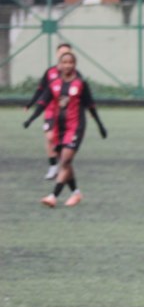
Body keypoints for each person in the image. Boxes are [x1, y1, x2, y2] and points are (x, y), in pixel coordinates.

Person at [23, 50, 107, 207]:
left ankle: (53, 196)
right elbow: (43, 103)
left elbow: (91, 106)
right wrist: (31, 119)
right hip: (59, 127)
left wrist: (100, 125)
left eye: (71, 62)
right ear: (59, 65)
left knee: (66, 160)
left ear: (75, 65)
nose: (67, 65)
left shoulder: (81, 84)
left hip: (75, 127)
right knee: (65, 162)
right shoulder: (54, 84)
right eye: (65, 62)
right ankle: (76, 193)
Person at [26, 42, 76, 180]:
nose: (63, 54)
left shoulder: (75, 75)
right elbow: (41, 89)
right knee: (49, 137)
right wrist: (31, 103)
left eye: (66, 52)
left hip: (68, 114)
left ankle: (63, 166)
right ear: (57, 54)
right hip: (51, 110)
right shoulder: (50, 72)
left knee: (63, 142)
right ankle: (53, 166)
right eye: (61, 52)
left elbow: (82, 94)